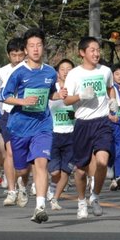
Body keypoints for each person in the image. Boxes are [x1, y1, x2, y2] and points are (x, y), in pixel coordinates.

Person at [1, 28, 57, 223]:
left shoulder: (50, 71)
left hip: (42, 125)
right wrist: (23, 101)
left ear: (43, 48)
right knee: (23, 170)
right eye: (31, 46)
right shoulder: (18, 73)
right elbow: (4, 96)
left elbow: (52, 94)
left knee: (41, 163)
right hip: (19, 127)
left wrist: (60, 95)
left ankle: (40, 206)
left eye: (39, 45)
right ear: (25, 50)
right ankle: (20, 184)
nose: (35, 49)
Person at [63, 37, 117, 219]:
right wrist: (81, 95)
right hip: (82, 124)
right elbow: (67, 99)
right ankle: (81, 201)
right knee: (80, 170)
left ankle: (94, 196)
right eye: (92, 50)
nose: (96, 53)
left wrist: (113, 103)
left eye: (98, 49)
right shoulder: (74, 74)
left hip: (102, 121)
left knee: (102, 161)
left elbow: (110, 88)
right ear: (82, 52)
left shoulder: (106, 71)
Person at [0, 38, 27, 207]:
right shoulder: (2, 71)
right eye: (13, 55)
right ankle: (11, 190)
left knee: (25, 156)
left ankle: (22, 184)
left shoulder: (31, 69)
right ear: (8, 55)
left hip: (28, 115)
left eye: (20, 54)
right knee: (9, 152)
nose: (17, 58)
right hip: (8, 115)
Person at [48, 59, 75, 211]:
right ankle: (52, 186)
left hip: (71, 135)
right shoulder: (52, 90)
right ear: (58, 72)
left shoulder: (77, 88)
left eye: (69, 68)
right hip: (53, 134)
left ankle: (55, 198)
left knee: (66, 170)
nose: (66, 71)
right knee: (55, 171)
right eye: (63, 68)